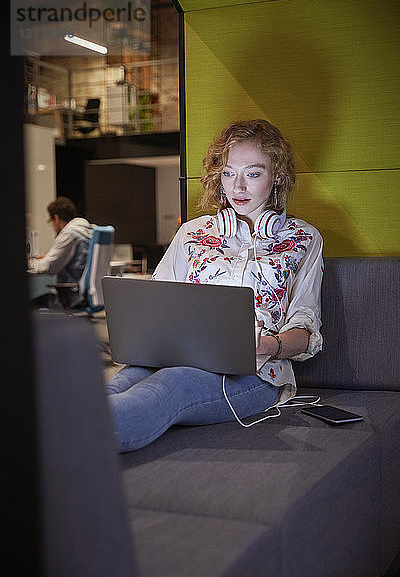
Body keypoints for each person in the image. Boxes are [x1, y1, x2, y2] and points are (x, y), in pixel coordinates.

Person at [107, 119, 323, 452]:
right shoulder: (191, 233)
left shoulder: (304, 239)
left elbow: (306, 331)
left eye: (252, 174)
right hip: (174, 356)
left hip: (254, 376)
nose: (237, 188)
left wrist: (267, 345)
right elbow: (155, 301)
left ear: (276, 177)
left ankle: (50, 443)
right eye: (228, 173)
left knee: (170, 385)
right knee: (119, 383)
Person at [28, 196, 94, 308]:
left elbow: (49, 267)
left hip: (71, 298)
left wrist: (30, 262)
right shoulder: (87, 231)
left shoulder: (70, 234)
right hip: (86, 295)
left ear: (56, 218)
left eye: (51, 221)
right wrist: (45, 259)